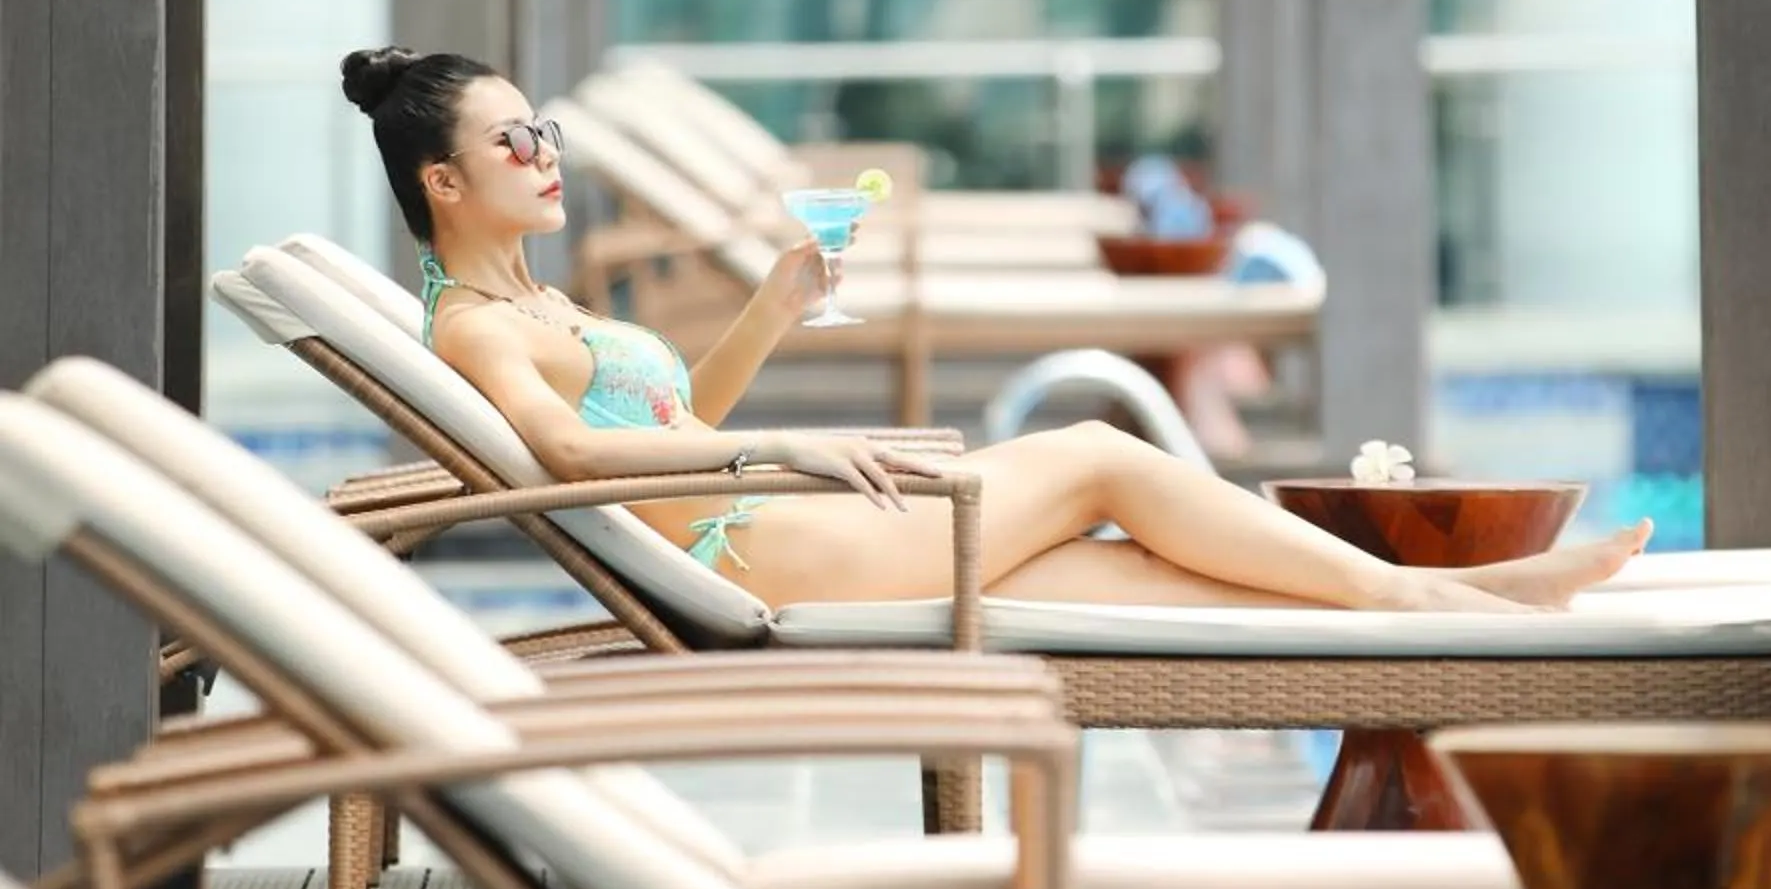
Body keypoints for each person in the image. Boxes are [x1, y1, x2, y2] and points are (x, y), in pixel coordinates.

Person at [342, 46, 1650, 617]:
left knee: (1154, 579)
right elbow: (568, 462)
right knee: (1094, 452)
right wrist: (784, 460)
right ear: (445, 184)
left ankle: (1422, 610)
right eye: (515, 141)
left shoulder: (541, 300)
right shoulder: (474, 329)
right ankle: (1433, 590)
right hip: (772, 555)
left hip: (776, 536)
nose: (545, 153)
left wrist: (776, 306)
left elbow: (678, 420)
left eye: (547, 130)